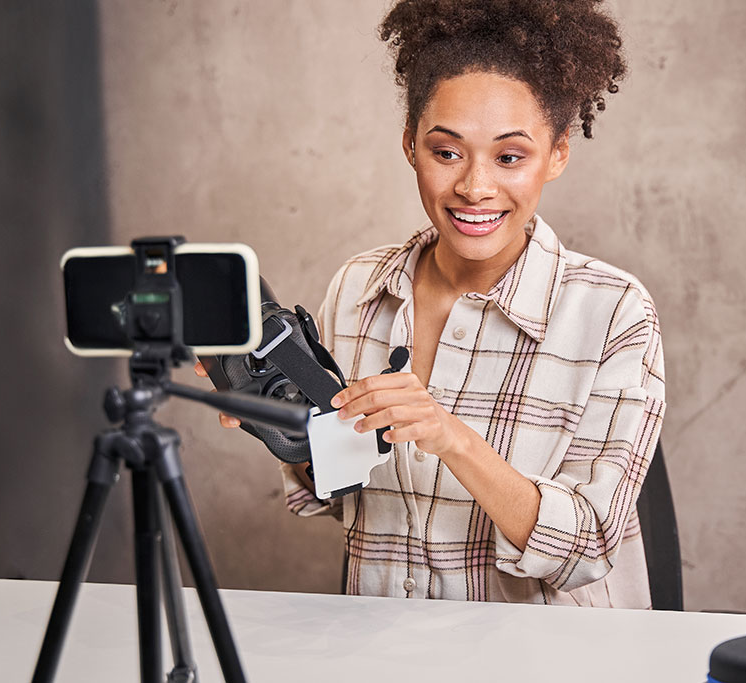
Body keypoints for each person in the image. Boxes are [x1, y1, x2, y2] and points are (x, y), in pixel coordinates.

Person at [202, 0, 665, 608]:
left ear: (556, 153)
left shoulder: (614, 313)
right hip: (383, 651)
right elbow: (341, 496)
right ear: (410, 146)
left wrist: (452, 437)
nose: (474, 186)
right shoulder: (359, 288)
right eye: (447, 152)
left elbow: (591, 546)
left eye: (509, 156)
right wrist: (279, 424)